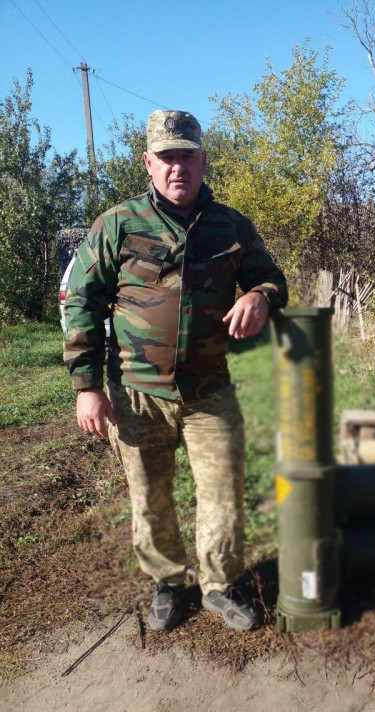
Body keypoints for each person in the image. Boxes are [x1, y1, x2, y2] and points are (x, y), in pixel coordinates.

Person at [63, 110, 288, 632]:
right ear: (149, 162)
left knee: (223, 493)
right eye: (166, 156)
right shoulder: (117, 223)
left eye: (186, 155)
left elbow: (273, 281)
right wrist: (86, 386)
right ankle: (167, 582)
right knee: (149, 497)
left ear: (203, 160)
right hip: (136, 393)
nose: (177, 166)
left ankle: (221, 585)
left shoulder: (231, 225)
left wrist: (259, 295)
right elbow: (82, 303)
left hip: (210, 390)